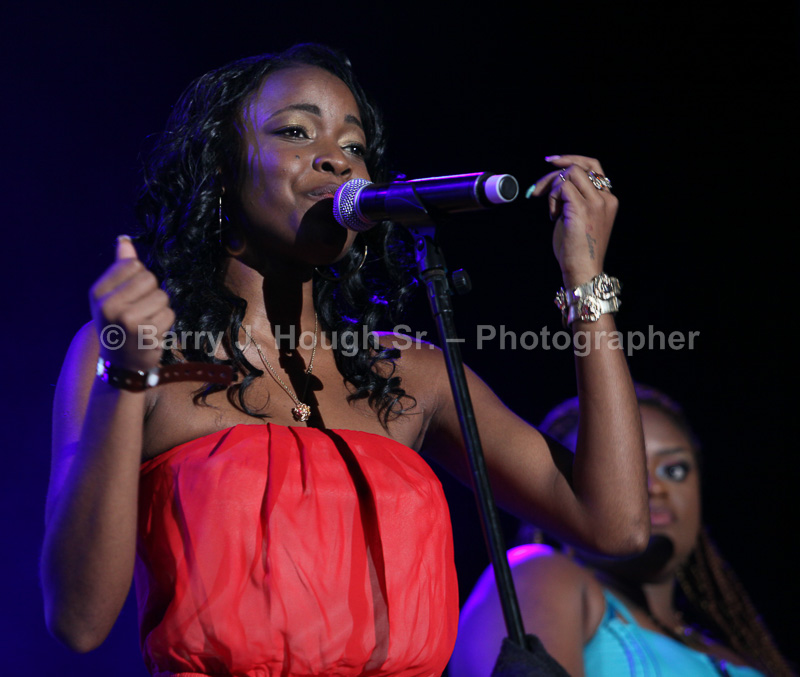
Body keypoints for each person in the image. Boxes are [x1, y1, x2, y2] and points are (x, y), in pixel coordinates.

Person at [41, 43, 649, 676]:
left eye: (354, 145)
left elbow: (615, 526)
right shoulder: (137, 353)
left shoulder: (406, 374)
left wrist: (585, 283)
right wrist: (126, 379)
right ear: (220, 168)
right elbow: (79, 621)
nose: (336, 158)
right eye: (295, 132)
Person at [451, 385, 795, 677]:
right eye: (624, 469)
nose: (654, 487)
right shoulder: (542, 572)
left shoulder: (738, 655)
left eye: (674, 471)